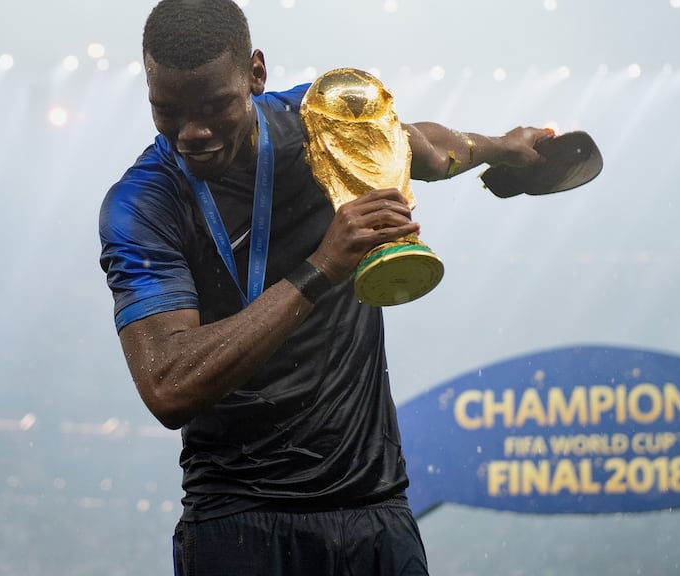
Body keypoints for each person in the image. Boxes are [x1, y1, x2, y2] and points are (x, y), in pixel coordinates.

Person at [99, 0, 551, 573]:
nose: (194, 132)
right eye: (168, 111)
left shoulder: (323, 119)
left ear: (256, 74)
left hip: (372, 508)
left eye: (215, 107)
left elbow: (424, 148)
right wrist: (322, 267)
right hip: (237, 520)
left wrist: (501, 149)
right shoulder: (144, 205)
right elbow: (167, 385)